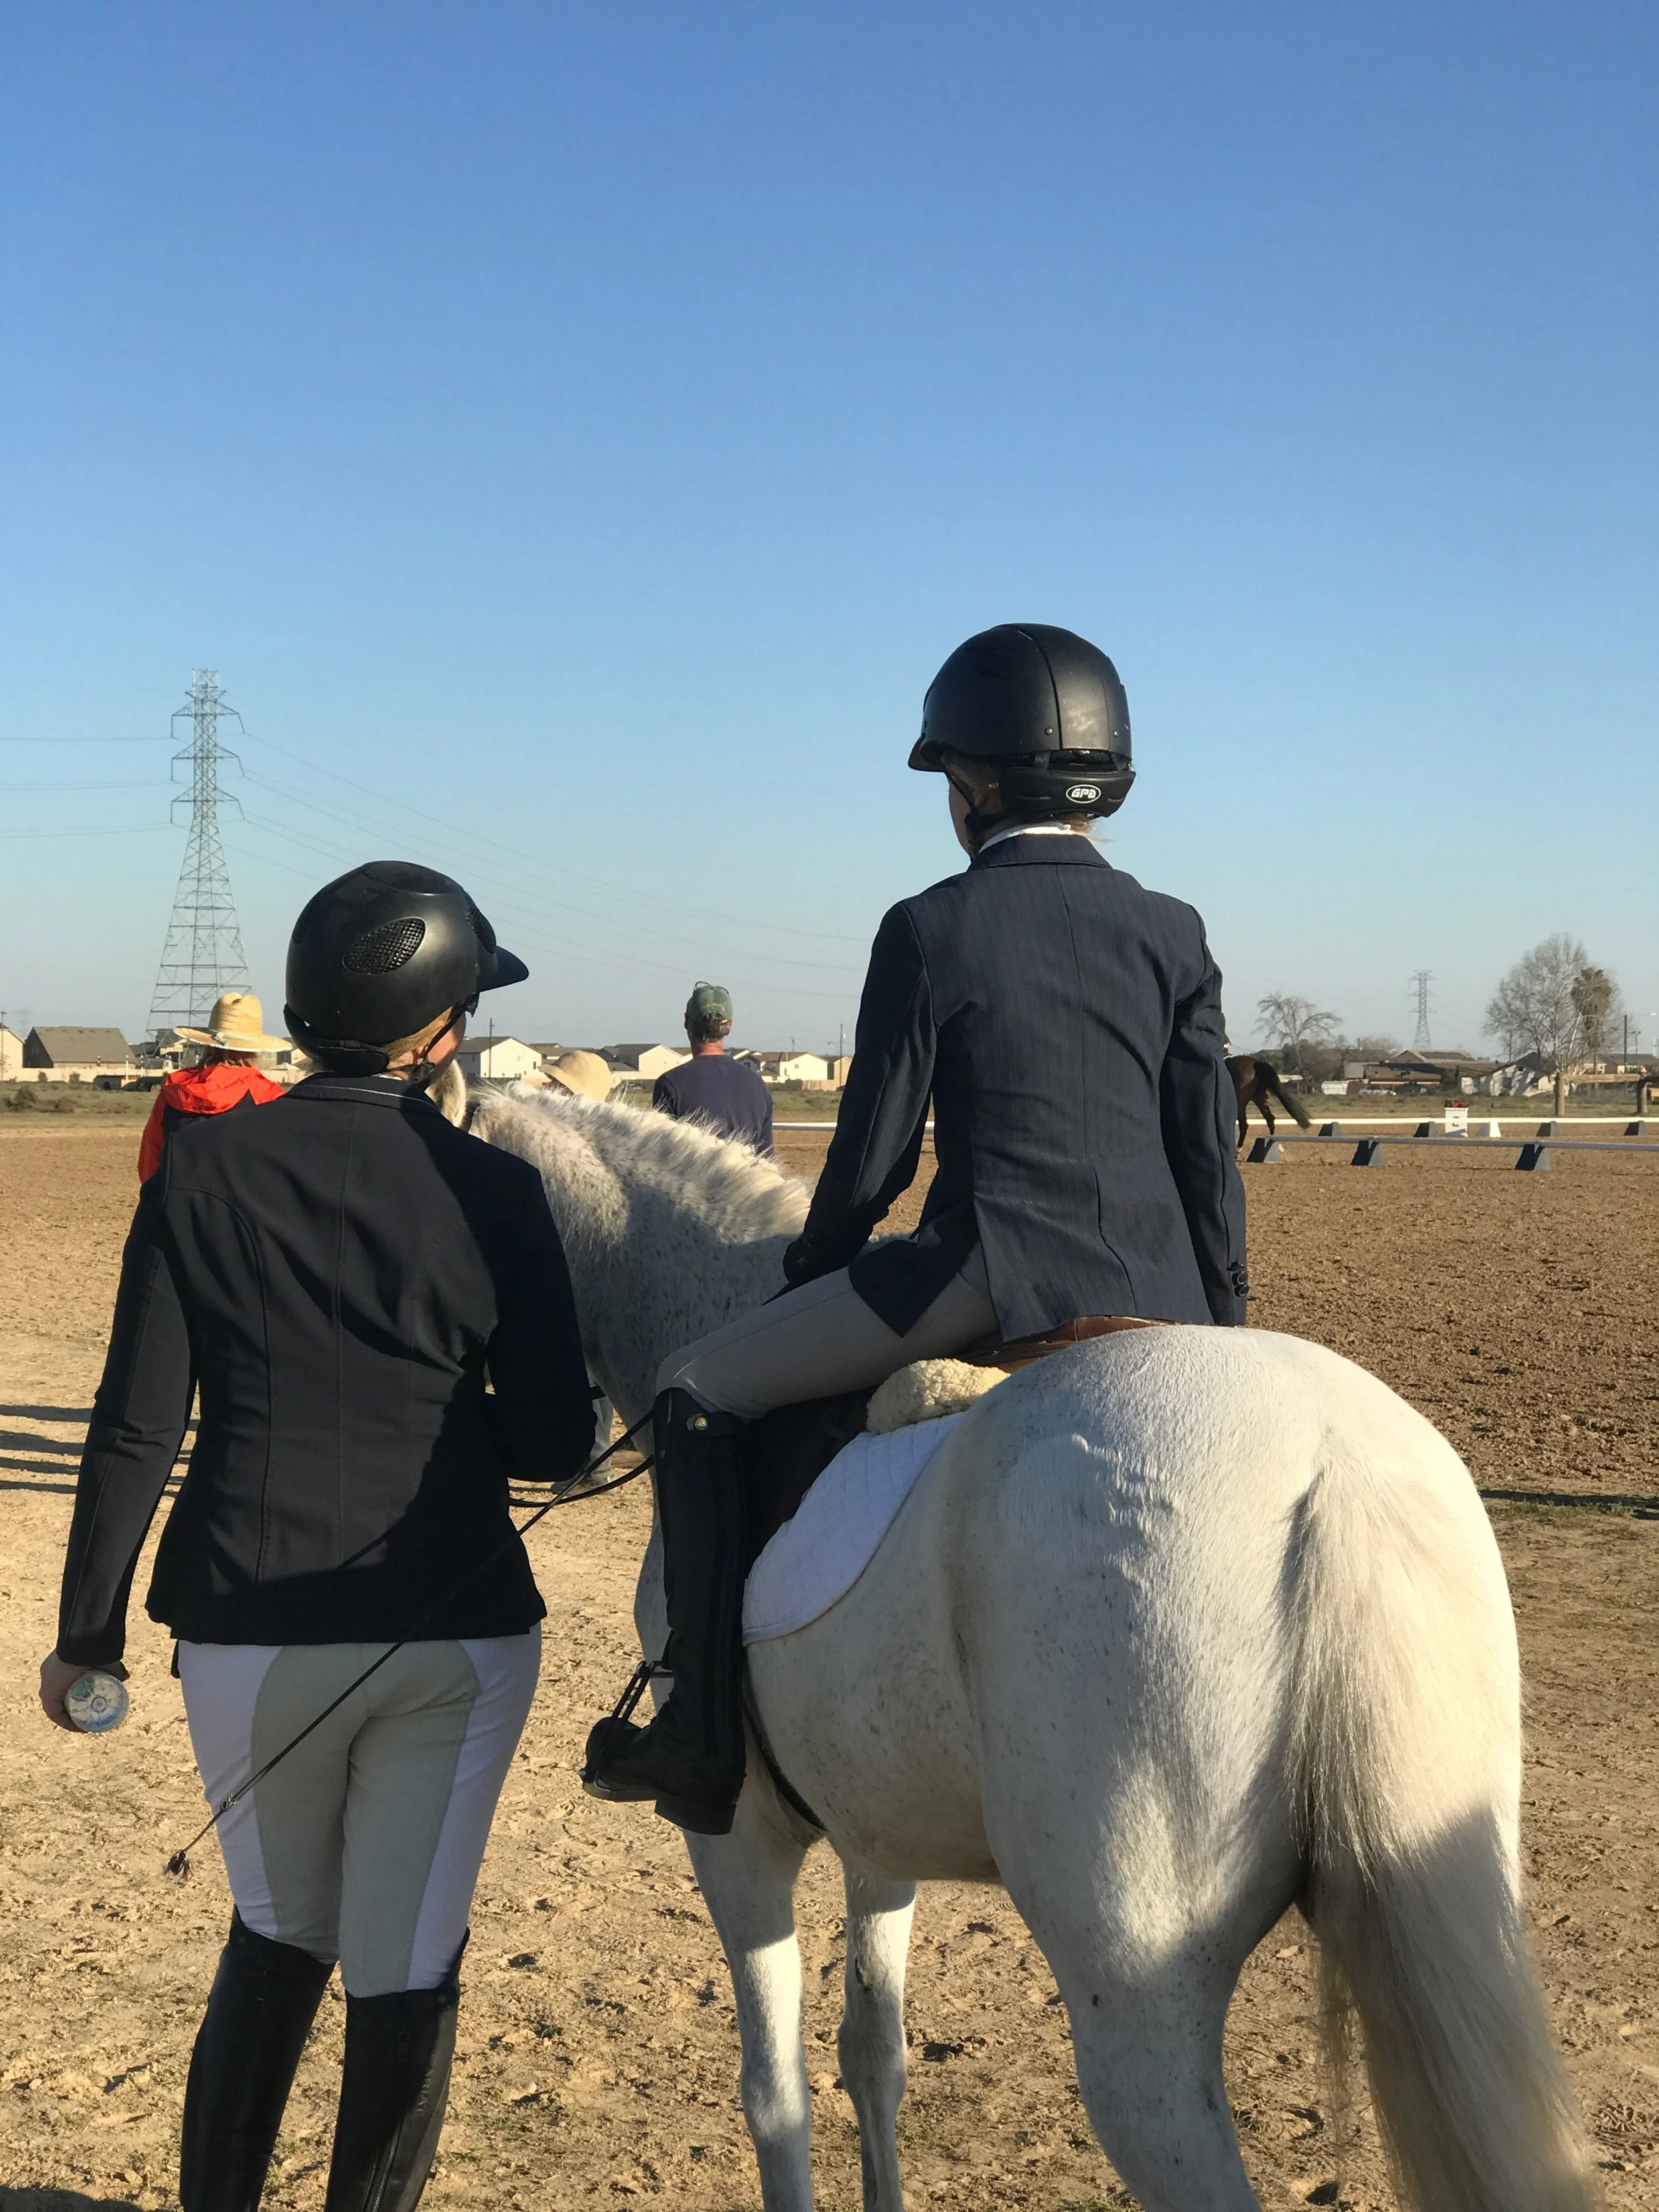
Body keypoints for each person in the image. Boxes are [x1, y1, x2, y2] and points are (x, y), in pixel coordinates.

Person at [583, 623, 1248, 1836]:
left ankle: (694, 1721)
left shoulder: (930, 925)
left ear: (975, 785)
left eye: (952, 780)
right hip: (1166, 1283)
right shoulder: (1176, 928)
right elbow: (1207, 1152)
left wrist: (809, 1270)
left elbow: (874, 1157)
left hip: (984, 1273)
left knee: (690, 1388)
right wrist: (1223, 1315)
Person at [41, 860, 595, 2212]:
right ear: (442, 1028)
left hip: (246, 1624)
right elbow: (549, 1448)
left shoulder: (201, 1170)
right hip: (454, 1626)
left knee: (279, 1934)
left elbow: (132, 1427)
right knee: (405, 1963)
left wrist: (87, 1634)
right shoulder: (499, 1192)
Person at [137, 991, 286, 1181]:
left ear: (207, 1044)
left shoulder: (174, 1087)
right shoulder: (268, 1095)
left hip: (176, 1203)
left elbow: (150, 1161)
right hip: (238, 1206)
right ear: (253, 1050)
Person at [651, 982, 774, 1154]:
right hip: (746, 1181)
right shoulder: (757, 1084)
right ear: (729, 1027)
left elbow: (662, 1156)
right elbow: (766, 1157)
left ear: (687, 1023)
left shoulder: (670, 1084)